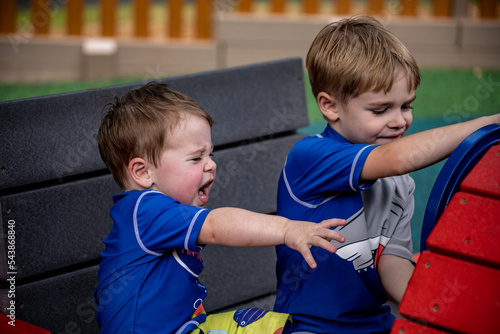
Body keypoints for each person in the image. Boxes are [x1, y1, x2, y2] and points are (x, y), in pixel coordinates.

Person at [273, 15, 500, 334]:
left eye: (406, 106)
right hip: (309, 324)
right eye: (381, 110)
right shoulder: (310, 157)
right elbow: (396, 159)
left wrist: (432, 311)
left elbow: (390, 259)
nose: (399, 121)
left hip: (373, 323)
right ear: (330, 106)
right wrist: (488, 123)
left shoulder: (399, 183)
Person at [93, 82, 346, 334]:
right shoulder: (144, 209)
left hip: (187, 328)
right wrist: (288, 229)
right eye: (196, 157)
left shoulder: (155, 214)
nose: (211, 165)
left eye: (210, 155)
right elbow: (216, 225)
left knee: (264, 324)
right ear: (143, 172)